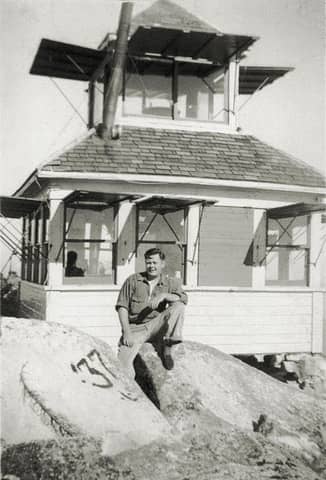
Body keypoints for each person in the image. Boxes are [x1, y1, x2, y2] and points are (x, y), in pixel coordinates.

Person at [115, 247, 187, 377]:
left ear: (162, 264)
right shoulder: (133, 280)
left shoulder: (170, 282)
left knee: (178, 306)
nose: (151, 266)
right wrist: (126, 332)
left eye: (155, 263)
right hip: (135, 328)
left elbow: (183, 298)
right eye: (148, 263)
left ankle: (167, 347)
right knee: (122, 367)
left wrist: (164, 295)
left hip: (156, 326)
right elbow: (122, 307)